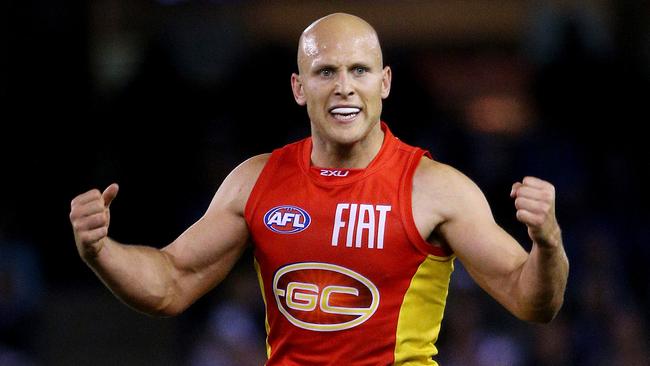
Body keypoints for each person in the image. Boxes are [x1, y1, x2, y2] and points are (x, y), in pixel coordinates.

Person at [69, 13, 569, 365]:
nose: (344, 87)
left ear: (385, 82)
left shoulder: (436, 189)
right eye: (325, 72)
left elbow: (532, 301)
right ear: (298, 87)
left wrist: (548, 243)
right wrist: (100, 251)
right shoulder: (256, 180)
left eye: (359, 70)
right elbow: (171, 283)